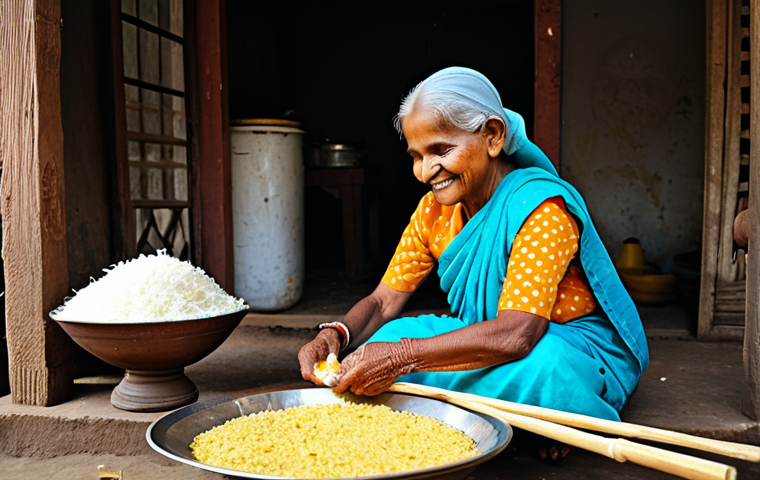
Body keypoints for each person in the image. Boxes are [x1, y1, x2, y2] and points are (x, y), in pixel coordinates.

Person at [298, 67, 649, 430]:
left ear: (493, 136)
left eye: (441, 150)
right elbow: (384, 302)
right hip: (484, 336)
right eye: (416, 156)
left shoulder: (540, 209)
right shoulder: (434, 210)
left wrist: (404, 358)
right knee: (383, 340)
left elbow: (519, 334)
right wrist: (336, 335)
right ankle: (529, 418)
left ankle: (534, 408)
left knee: (547, 370)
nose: (425, 171)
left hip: (557, 343)